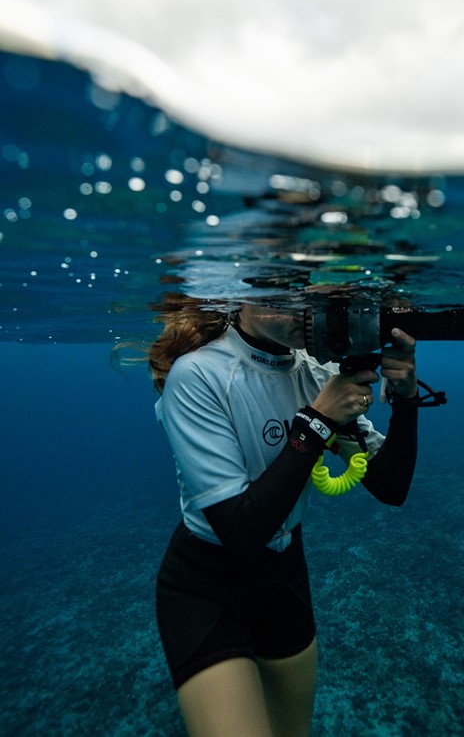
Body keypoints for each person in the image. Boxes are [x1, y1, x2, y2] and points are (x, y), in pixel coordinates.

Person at [150, 295, 420, 737]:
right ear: (240, 297)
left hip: (284, 577)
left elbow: (390, 489)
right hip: (205, 584)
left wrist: (406, 402)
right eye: (285, 296)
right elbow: (240, 531)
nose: (305, 309)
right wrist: (317, 420)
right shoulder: (198, 374)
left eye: (312, 296)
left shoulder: (317, 373)